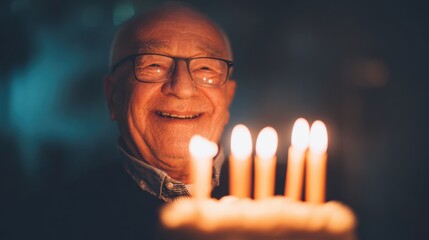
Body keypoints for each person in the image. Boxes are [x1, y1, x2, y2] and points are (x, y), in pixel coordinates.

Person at [5, 3, 236, 240]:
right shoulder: (50, 223)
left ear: (228, 98)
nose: (183, 88)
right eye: (154, 65)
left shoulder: (274, 201)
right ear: (113, 95)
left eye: (206, 68)